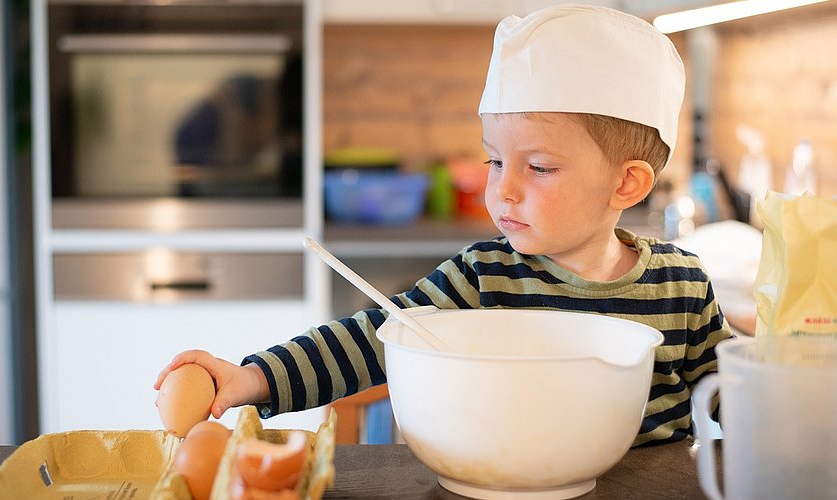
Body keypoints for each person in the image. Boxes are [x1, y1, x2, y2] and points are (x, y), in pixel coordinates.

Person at [155, 4, 732, 447]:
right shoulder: (482, 277)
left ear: (626, 185)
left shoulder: (681, 285)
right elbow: (368, 341)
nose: (502, 188)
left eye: (539, 168)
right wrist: (251, 379)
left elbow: (736, 399)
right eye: (495, 160)